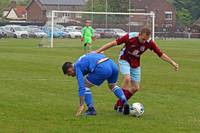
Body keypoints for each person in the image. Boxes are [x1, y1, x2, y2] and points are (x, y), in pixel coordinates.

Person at [95, 28, 179, 111]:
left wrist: (172, 62)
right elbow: (113, 43)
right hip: (124, 59)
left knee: (135, 88)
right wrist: (98, 51)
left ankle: (118, 104)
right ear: (139, 34)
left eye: (145, 40)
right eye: (142, 39)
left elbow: (160, 54)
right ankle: (122, 103)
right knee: (127, 78)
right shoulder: (129, 37)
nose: (144, 41)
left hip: (135, 63)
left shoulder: (149, 42)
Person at [62, 53, 130, 116]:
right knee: (112, 86)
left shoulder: (77, 67)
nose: (71, 76)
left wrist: (81, 105)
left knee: (85, 86)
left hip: (102, 67)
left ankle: (91, 109)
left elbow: (81, 87)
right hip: (112, 64)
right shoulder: (81, 59)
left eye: (69, 74)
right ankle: (124, 101)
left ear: (70, 69)